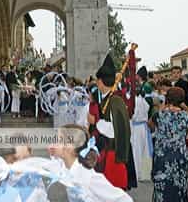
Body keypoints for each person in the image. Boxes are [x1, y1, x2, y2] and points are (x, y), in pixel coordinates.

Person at [48, 124, 133, 202]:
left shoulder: (89, 177)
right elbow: (53, 166)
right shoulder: (66, 165)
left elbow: (124, 199)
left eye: (57, 140)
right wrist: (52, 153)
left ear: (69, 147)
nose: (52, 142)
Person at [95, 54, 132, 189]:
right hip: (106, 152)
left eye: (97, 80)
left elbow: (115, 131)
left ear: (100, 81)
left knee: (112, 190)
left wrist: (97, 122)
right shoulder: (107, 99)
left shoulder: (115, 100)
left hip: (113, 154)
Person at [149, 87, 188, 202]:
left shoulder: (159, 115)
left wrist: (163, 106)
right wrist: (182, 105)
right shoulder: (186, 117)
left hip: (162, 156)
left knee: (162, 187)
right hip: (179, 156)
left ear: (167, 99)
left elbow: (150, 125)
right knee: (179, 187)